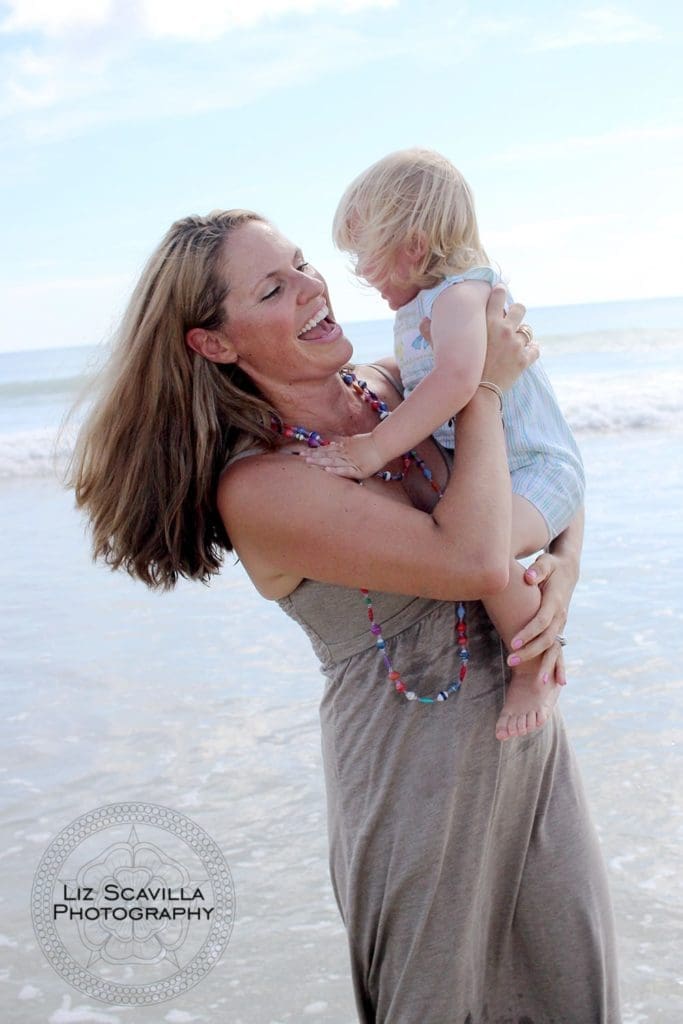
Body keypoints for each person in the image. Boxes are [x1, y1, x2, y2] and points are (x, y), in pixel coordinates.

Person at [68, 210, 620, 1022]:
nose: (310, 287)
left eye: (300, 264)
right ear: (214, 343)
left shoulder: (399, 387)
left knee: (571, 993)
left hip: (528, 745)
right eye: (271, 289)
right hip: (412, 777)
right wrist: (479, 385)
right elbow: (471, 559)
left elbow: (544, 457)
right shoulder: (260, 487)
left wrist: (563, 570)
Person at [307, 148, 586, 741]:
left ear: (413, 246)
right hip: (504, 469)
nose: (360, 271)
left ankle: (535, 665)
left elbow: (460, 381)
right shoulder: (423, 306)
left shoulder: (459, 297)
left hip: (534, 469)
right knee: (476, 538)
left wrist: (374, 448)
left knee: (484, 550)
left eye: (365, 255)